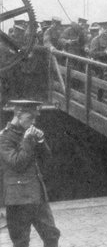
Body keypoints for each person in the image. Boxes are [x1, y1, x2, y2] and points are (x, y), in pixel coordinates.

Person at [0, 100, 60, 246]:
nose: (33, 122)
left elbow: (48, 161)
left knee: (52, 235)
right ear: (18, 115)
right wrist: (27, 140)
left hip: (37, 195)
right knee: (21, 241)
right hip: (18, 199)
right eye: (30, 118)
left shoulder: (29, 132)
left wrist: (40, 141)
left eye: (34, 118)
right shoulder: (4, 137)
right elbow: (16, 163)